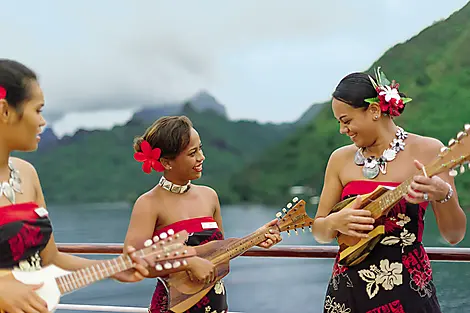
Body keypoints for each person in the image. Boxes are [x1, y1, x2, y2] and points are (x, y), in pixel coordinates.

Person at [0, 59, 154, 313]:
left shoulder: (28, 175)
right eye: (38, 110)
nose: (42, 121)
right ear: (4, 111)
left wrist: (114, 269)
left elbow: (51, 259)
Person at [312, 68, 466, 313]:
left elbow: (454, 235)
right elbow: (319, 230)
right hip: (347, 293)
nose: (343, 130)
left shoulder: (429, 151)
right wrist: (335, 222)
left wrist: (442, 194)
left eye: (346, 121)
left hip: (409, 293)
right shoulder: (339, 160)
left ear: (374, 111)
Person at [124, 115, 282, 313]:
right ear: (166, 162)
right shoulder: (148, 204)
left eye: (200, 148)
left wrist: (256, 237)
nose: (201, 157)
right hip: (174, 307)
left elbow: (218, 253)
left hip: (216, 305)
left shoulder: (210, 196)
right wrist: (188, 262)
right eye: (193, 153)